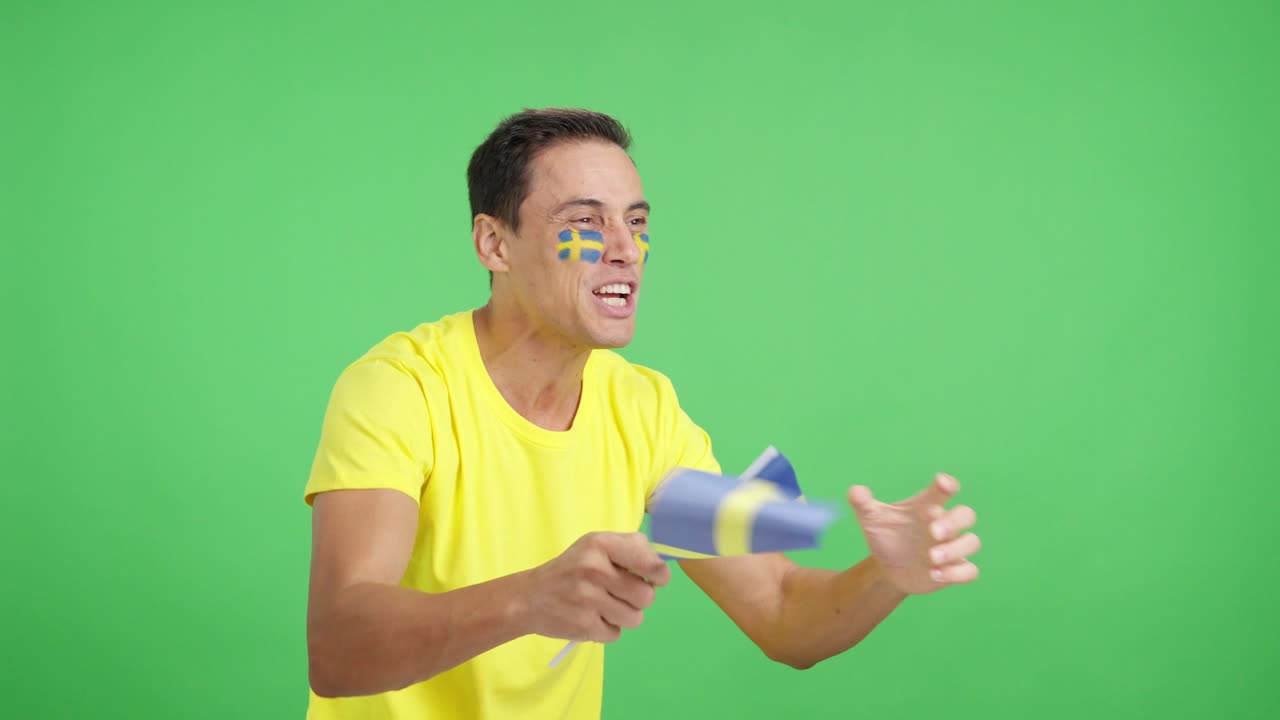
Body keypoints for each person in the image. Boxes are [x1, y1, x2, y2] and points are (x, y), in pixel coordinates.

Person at [303, 108, 981, 719]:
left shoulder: (644, 410)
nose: (624, 248)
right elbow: (338, 646)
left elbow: (781, 614)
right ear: (494, 244)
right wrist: (527, 600)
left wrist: (883, 577)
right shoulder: (398, 388)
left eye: (636, 221)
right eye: (584, 222)